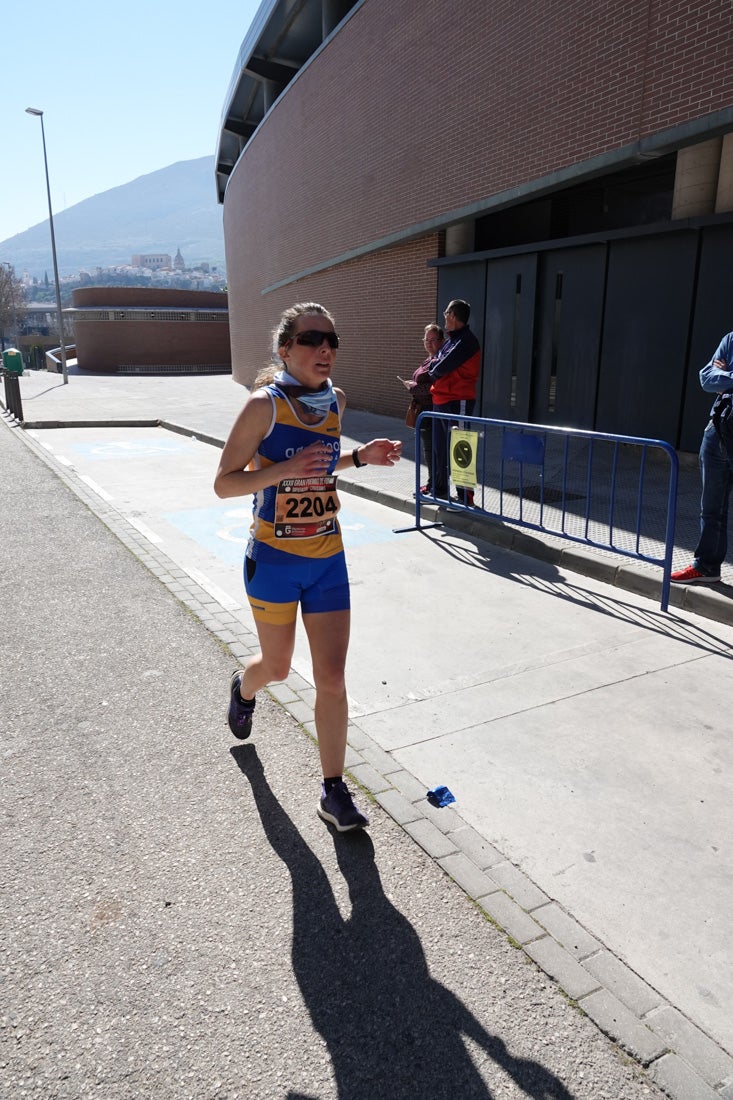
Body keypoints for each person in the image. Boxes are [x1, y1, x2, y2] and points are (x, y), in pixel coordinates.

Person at [213, 302, 402, 830]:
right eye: (312, 338)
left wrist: (361, 459)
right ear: (285, 348)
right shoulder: (262, 407)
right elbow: (225, 482)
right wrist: (285, 469)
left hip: (327, 559)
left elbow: (324, 468)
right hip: (273, 560)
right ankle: (243, 688)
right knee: (276, 667)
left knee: (333, 678)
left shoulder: (335, 401)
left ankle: (334, 791)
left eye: (332, 340)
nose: (325, 349)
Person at [671, 331, 733, 585]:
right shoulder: (731, 340)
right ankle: (707, 566)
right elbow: (707, 378)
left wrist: (726, 377)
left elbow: (719, 379)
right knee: (711, 508)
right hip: (717, 431)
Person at [428, 299, 481, 504]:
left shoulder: (466, 341)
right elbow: (436, 362)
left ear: (452, 315)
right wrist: (434, 368)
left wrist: (433, 371)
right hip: (441, 399)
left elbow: (440, 367)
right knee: (439, 448)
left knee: (460, 447)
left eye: (446, 314)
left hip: (458, 400)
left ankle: (464, 497)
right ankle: (440, 490)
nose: (444, 318)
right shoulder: (451, 340)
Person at [401, 323, 445, 493]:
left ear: (442, 341)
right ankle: (433, 483)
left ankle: (437, 486)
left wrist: (412, 387)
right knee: (429, 451)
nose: (429, 343)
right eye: (426, 340)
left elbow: (433, 387)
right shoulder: (429, 359)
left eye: (433, 340)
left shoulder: (440, 361)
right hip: (424, 411)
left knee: (434, 451)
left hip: (433, 410)